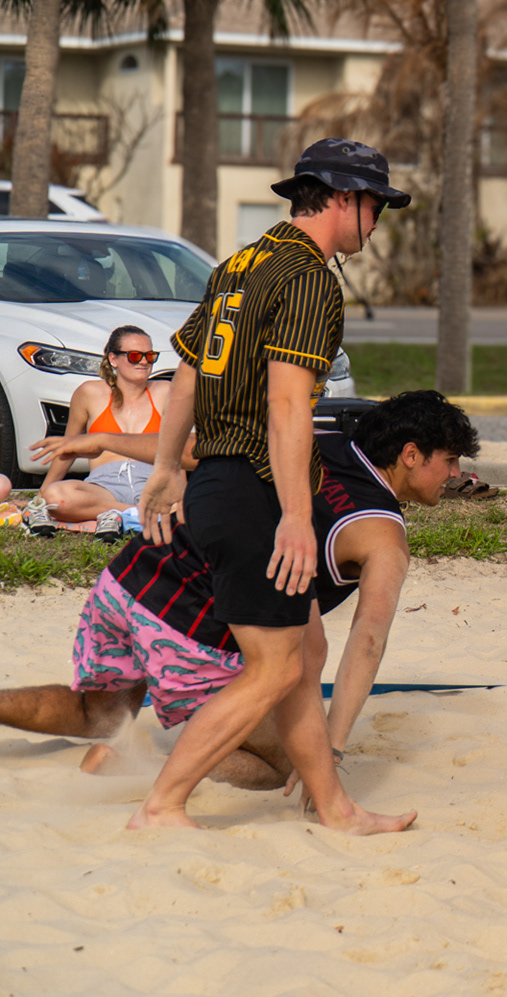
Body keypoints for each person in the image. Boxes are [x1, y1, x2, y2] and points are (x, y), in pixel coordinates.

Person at [132, 136, 414, 835]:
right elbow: (290, 405)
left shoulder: (240, 263)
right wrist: (297, 514)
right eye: (376, 207)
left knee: (305, 651)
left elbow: (191, 372)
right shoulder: (311, 278)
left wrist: (168, 467)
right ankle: (163, 804)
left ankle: (335, 807)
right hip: (255, 489)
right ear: (344, 199)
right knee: (274, 668)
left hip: (218, 482)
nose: (377, 223)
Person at [0, 392, 479, 788]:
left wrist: (104, 438)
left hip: (139, 571)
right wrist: (330, 748)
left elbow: (195, 449)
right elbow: (367, 641)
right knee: (288, 763)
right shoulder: (383, 535)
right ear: (411, 454)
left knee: (96, 713)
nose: (456, 474)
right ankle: (138, 769)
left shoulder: (314, 440)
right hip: (201, 621)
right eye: (450, 460)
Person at [29, 325, 178, 539]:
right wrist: (44, 492)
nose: (144, 362)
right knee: (56, 497)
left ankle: (116, 514)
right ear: (113, 359)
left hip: (152, 481)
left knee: (197, 502)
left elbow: (178, 448)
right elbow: (69, 447)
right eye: (135, 356)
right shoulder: (90, 392)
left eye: (150, 356)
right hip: (104, 484)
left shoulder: (165, 391)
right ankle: (135, 514)